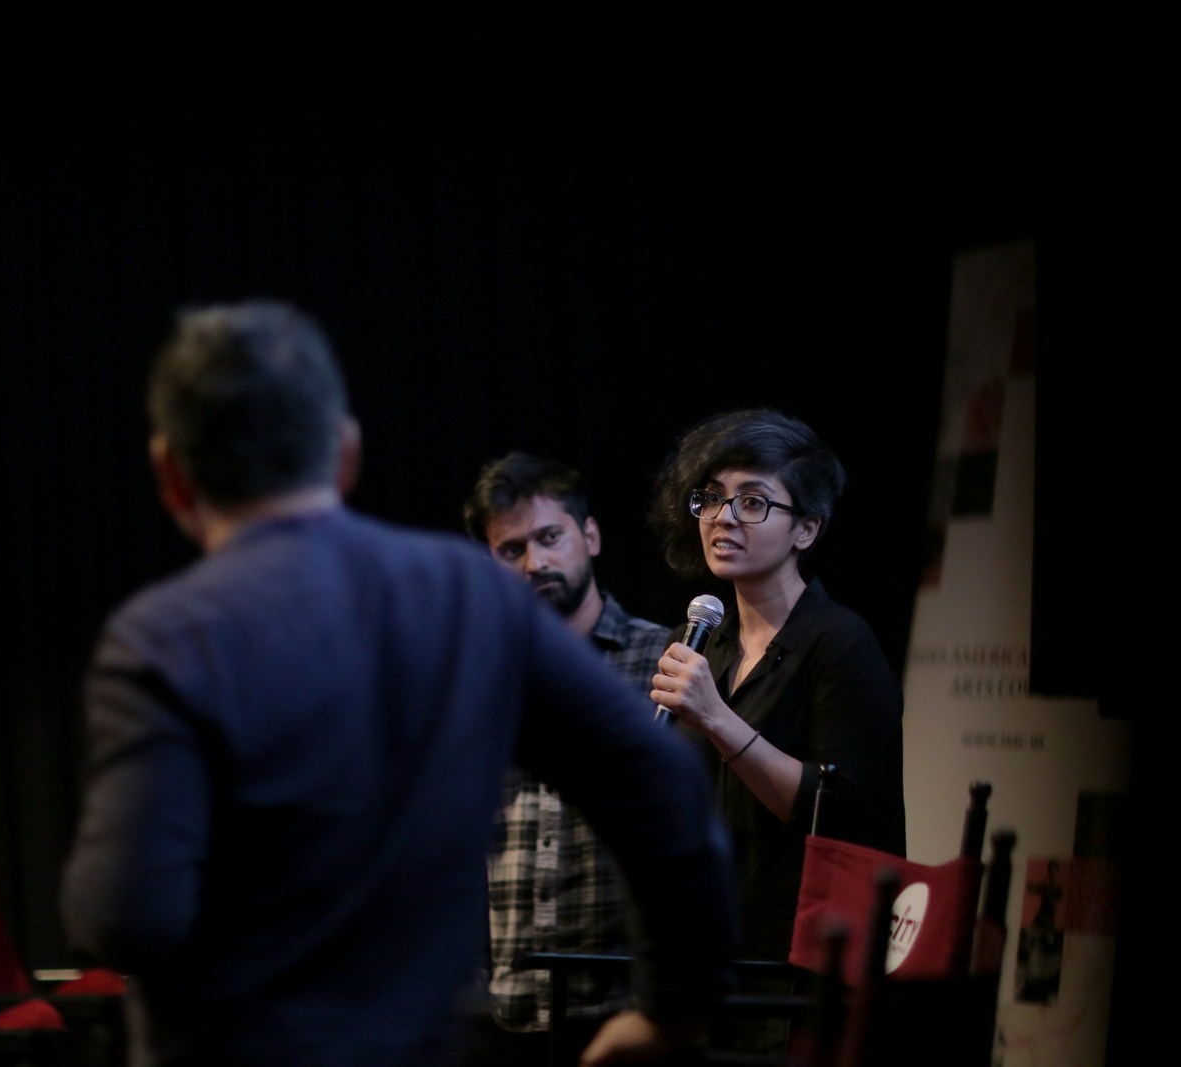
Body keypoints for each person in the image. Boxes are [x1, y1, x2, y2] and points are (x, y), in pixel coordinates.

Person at [59, 300, 737, 1067]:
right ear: (345, 450)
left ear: (169, 474)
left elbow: (123, 915)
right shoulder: (465, 597)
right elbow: (658, 786)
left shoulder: (160, 638)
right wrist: (675, 1008)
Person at [647, 408, 906, 965]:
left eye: (753, 502)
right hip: (707, 945)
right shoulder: (699, 641)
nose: (723, 518)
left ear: (805, 529)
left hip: (805, 958)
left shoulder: (841, 644)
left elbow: (836, 813)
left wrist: (716, 716)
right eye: (712, 498)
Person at [460, 452, 672, 1066]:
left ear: (591, 536)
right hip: (506, 1008)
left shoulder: (667, 662)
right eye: (511, 550)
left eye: (550, 537)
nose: (535, 563)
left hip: (624, 1008)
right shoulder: (476, 677)